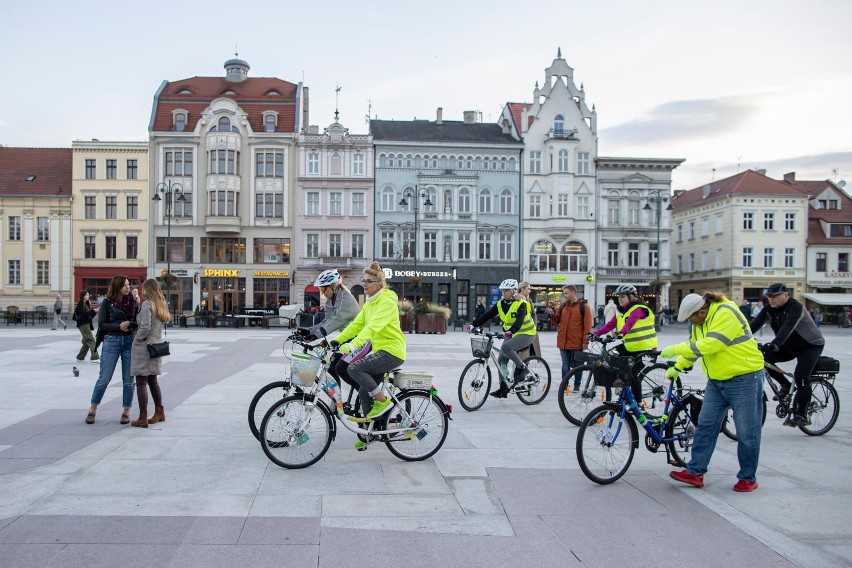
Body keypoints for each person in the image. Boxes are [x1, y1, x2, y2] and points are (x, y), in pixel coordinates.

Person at [661, 292, 765, 492]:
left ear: (702, 310)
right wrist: (679, 366)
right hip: (717, 381)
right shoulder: (699, 323)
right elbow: (695, 349)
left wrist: (676, 349)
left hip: (744, 377)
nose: (691, 322)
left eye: (692, 317)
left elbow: (712, 344)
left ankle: (747, 478)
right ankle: (695, 472)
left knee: (746, 432)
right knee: (705, 426)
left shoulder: (726, 312)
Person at [332, 262, 406, 448]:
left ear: (380, 284)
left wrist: (352, 345)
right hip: (381, 351)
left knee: (354, 368)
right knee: (364, 391)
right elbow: (357, 325)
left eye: (369, 281)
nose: (365, 284)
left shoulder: (387, 303)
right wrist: (336, 340)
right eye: (364, 281)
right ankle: (370, 433)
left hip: (392, 351)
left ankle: (383, 401)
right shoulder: (370, 303)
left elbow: (372, 328)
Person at [749, 283, 824, 427]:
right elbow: (753, 326)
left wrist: (775, 344)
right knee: (763, 359)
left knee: (801, 376)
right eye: (769, 296)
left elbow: (787, 328)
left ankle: (801, 414)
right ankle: (785, 384)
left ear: (786, 295)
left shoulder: (795, 307)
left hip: (810, 345)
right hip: (789, 346)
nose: (771, 299)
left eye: (775, 296)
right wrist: (736, 339)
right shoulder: (769, 309)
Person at [297, 269, 362, 397]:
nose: (322, 292)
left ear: (333, 286)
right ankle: (337, 400)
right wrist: (308, 331)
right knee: (331, 367)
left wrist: (316, 335)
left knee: (341, 368)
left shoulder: (345, 299)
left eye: (323, 289)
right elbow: (326, 321)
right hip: (348, 338)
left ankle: (365, 393)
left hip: (360, 340)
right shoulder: (331, 300)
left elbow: (336, 320)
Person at [467, 278, 537, 398]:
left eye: (506, 291)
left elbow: (519, 321)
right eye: (502, 291)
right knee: (501, 361)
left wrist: (510, 332)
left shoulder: (522, 304)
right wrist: (474, 324)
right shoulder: (501, 303)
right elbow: (487, 315)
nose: (503, 293)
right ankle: (503, 388)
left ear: (514, 291)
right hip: (512, 334)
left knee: (506, 346)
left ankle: (522, 368)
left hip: (527, 333)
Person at [85, 275, 137, 425]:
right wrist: (118, 326)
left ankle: (126, 411)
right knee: (104, 378)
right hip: (111, 341)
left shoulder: (133, 302)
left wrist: (130, 324)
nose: (128, 287)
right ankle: (93, 407)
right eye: (125, 285)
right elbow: (102, 325)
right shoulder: (107, 303)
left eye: (129, 284)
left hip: (129, 342)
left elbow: (137, 321)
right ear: (117, 286)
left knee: (128, 379)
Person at [129, 279, 170, 428]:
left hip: (144, 347)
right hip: (156, 346)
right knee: (153, 380)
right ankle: (159, 412)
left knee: (141, 382)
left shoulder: (147, 304)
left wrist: (137, 339)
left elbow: (145, 327)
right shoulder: (161, 305)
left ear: (147, 289)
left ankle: (142, 417)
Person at [549, 285, 593, 387]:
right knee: (565, 365)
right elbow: (556, 321)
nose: (565, 295)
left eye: (566, 293)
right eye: (564, 293)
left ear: (573, 293)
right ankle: (564, 386)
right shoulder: (563, 306)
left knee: (578, 366)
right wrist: (551, 315)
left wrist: (585, 342)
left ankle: (576, 386)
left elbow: (587, 327)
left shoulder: (584, 307)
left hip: (576, 342)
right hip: (563, 341)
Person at [593, 285, 657, 356]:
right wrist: (596, 334)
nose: (619, 299)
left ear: (631, 297)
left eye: (622, 296)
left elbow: (627, 326)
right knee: (610, 356)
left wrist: (615, 336)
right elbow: (610, 325)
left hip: (645, 348)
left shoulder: (638, 309)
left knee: (612, 358)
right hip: (631, 347)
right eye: (619, 297)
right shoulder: (621, 312)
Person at [73, 290, 99, 362]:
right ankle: (95, 357)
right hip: (83, 325)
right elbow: (83, 315)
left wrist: (95, 312)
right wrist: (94, 311)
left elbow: (89, 316)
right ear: (83, 296)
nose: (88, 296)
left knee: (86, 342)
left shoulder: (86, 304)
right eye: (86, 295)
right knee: (91, 340)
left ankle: (80, 357)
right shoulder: (80, 303)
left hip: (86, 324)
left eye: (88, 295)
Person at [516, 281, 542, 354]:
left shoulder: (529, 300)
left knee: (527, 354)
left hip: (530, 330)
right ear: (522, 289)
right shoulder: (515, 300)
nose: (530, 290)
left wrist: (534, 327)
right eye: (528, 288)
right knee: (521, 355)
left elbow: (533, 314)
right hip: (519, 332)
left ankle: (524, 364)